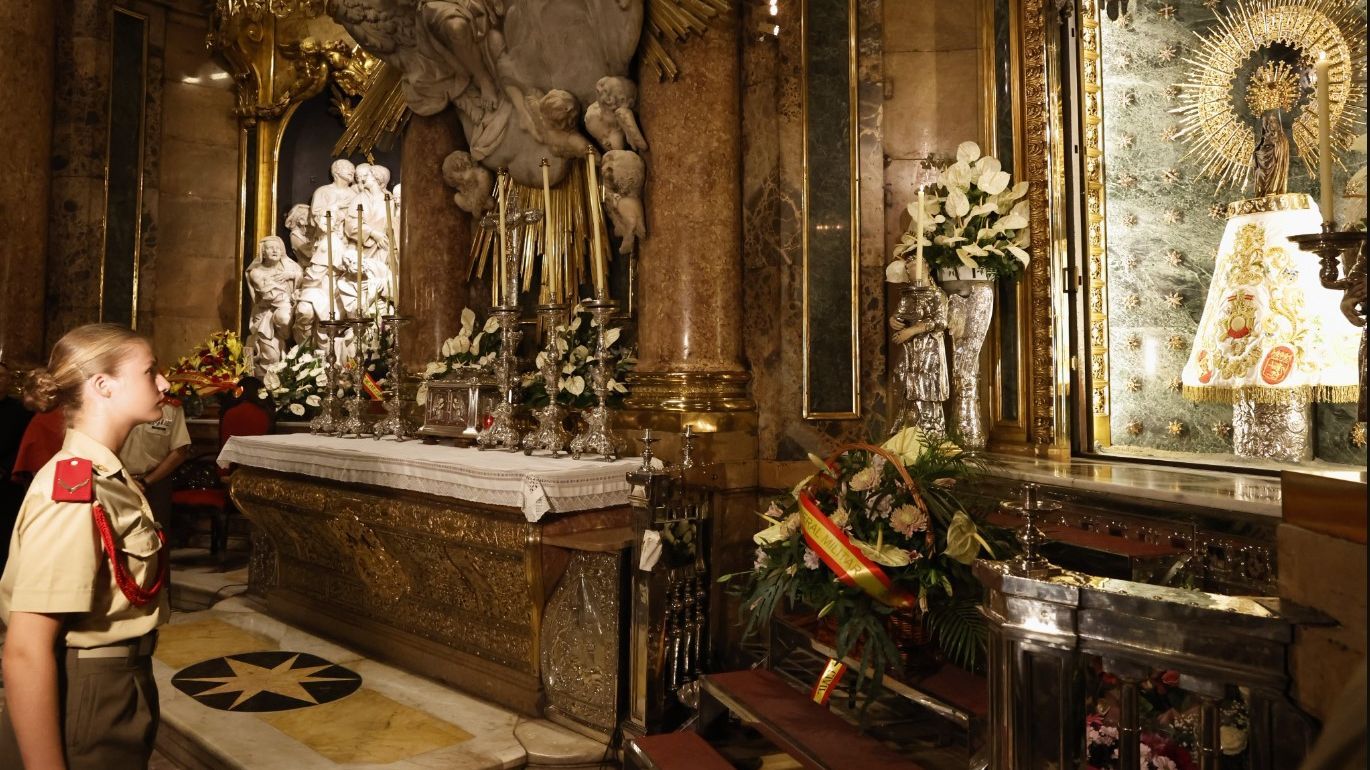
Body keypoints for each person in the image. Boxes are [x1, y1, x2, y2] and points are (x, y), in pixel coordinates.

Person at [0, 323, 171, 769]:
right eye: (151, 372)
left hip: (120, 680)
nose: (165, 383)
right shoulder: (73, 489)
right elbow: (25, 649)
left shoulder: (109, 478)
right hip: (89, 688)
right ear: (103, 386)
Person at [117, 398, 191, 528]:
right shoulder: (112, 404)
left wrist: (146, 481)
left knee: (157, 533)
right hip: (116, 479)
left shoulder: (171, 408)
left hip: (155, 482)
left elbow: (180, 450)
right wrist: (123, 478)